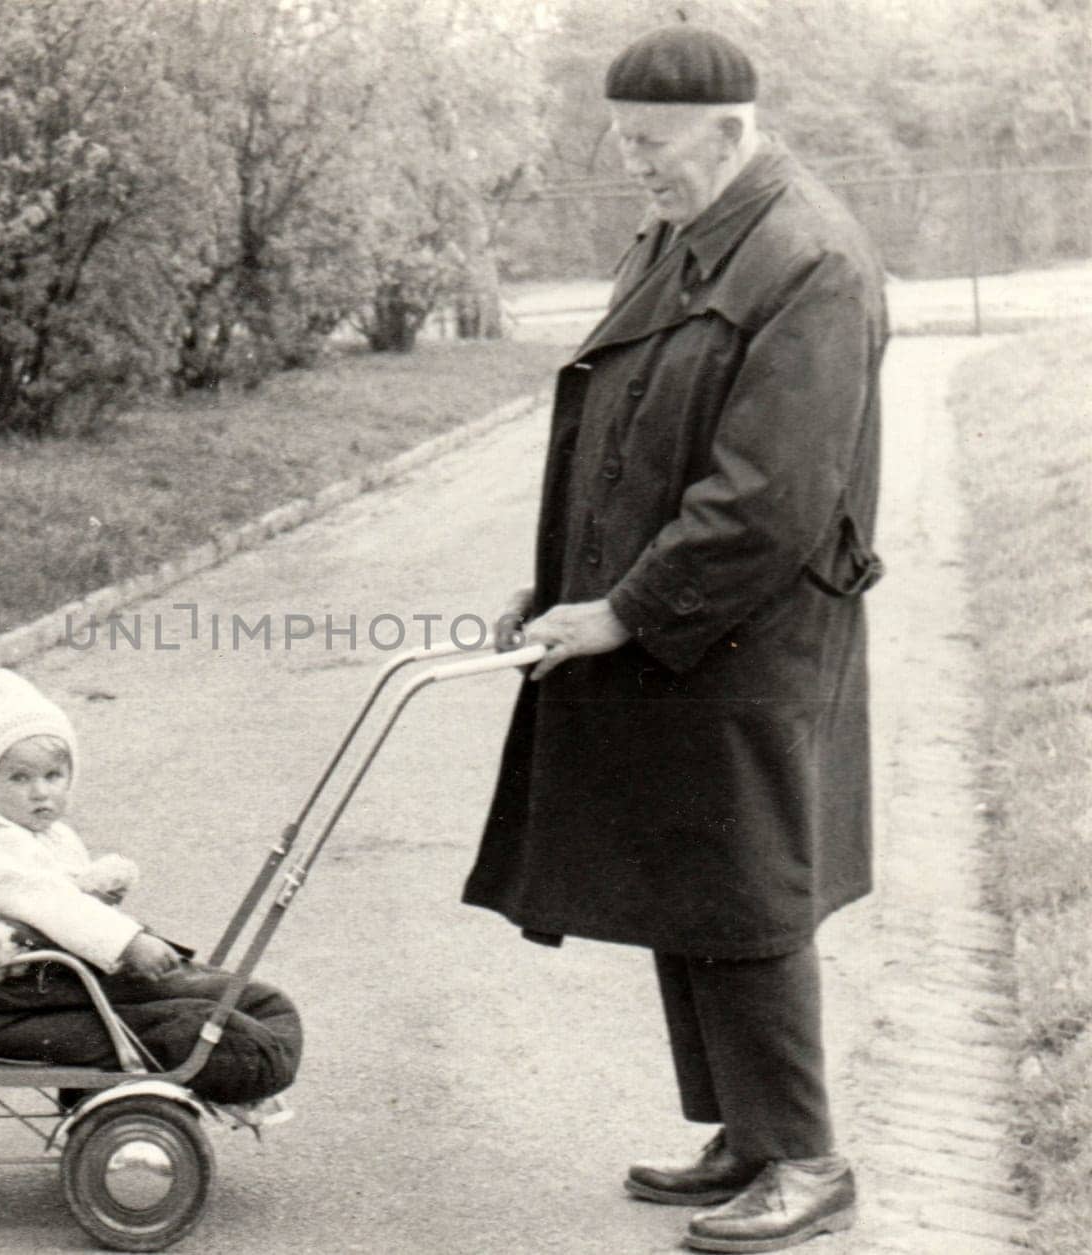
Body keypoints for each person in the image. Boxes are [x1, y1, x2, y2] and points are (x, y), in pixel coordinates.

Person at [463, 25, 886, 1254]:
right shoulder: (689, 227)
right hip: (676, 622)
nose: (629, 161)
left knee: (747, 884)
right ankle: (746, 1136)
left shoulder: (810, 260)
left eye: (649, 143)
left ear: (729, 129)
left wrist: (624, 608)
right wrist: (563, 588)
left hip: (753, 632)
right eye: (622, 137)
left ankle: (807, 1157)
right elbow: (632, 433)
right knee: (688, 878)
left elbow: (767, 496)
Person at [0, 668, 302, 1112]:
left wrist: (98, 902)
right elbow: (53, 903)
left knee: (222, 997)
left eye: (53, 776)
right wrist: (128, 941)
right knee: (186, 1012)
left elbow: (62, 895)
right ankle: (239, 1059)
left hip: (28, 988)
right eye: (19, 779)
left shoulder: (42, 835)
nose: (40, 793)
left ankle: (244, 1041)